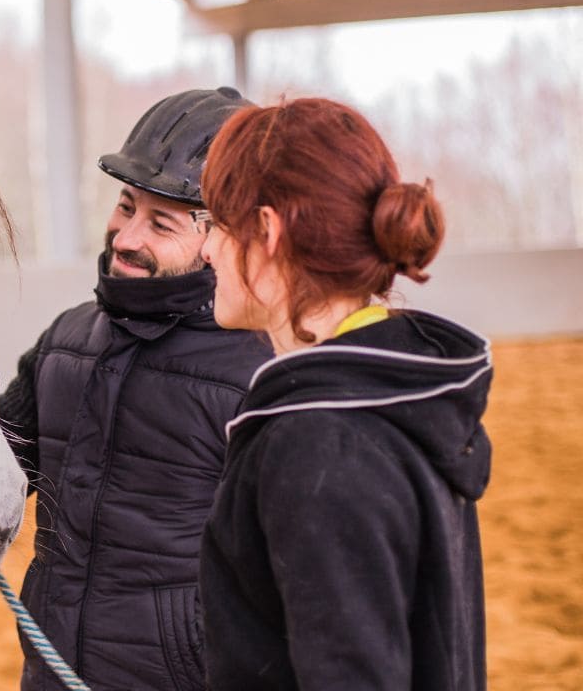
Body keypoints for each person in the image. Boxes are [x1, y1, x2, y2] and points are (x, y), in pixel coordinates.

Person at [196, 97, 491, 690]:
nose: (206, 249)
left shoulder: (317, 443)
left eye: (217, 224)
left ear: (268, 231)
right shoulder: (396, 396)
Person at [0, 87, 273, 690]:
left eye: (160, 223)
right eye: (125, 207)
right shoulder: (64, 341)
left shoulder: (266, 375)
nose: (125, 237)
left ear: (223, 237)